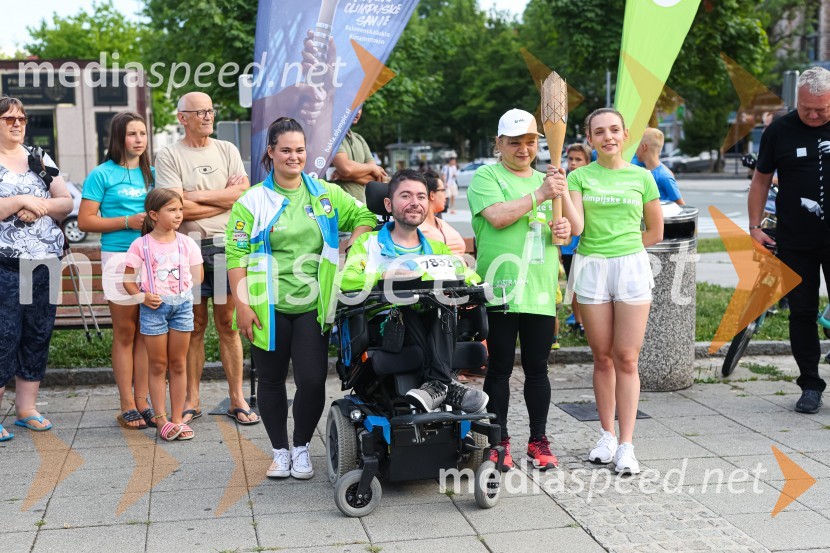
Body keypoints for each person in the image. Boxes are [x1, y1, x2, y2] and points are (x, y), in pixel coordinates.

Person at [226, 117, 377, 479]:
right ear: (271, 152)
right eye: (286, 150)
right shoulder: (253, 200)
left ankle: (302, 447)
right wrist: (242, 305)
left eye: (300, 150)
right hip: (268, 306)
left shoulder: (324, 194)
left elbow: (366, 215)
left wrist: (351, 242)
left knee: (311, 381)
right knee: (271, 379)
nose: (294, 157)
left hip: (313, 305)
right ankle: (279, 451)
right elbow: (236, 255)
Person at [467, 108, 578, 471]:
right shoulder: (487, 176)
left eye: (530, 142)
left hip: (540, 290)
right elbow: (499, 217)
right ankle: (499, 442)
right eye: (514, 142)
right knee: (498, 370)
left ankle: (538, 439)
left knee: (537, 369)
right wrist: (541, 193)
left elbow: (566, 228)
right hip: (499, 288)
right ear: (499, 144)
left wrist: (560, 230)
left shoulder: (551, 181)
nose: (523, 149)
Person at [340, 169, 487, 413]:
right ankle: (446, 386)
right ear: (388, 204)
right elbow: (348, 280)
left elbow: (470, 277)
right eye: (405, 196)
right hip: (388, 324)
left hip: (433, 320)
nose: (414, 203)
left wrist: (457, 272)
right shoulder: (368, 244)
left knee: (441, 305)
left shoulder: (438, 248)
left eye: (420, 196)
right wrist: (383, 275)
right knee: (407, 303)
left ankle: (436, 386)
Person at [567, 108, 663, 474]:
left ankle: (626, 444)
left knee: (626, 357)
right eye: (599, 132)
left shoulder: (643, 178)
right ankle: (606, 435)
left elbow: (656, 232)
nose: (608, 136)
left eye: (614, 130)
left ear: (625, 136)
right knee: (602, 356)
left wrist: (624, 246)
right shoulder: (578, 177)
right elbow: (576, 227)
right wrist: (560, 192)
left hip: (631, 267)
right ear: (589, 139)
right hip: (591, 266)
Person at [154, 92, 258, 425]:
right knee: (194, 325)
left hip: (229, 247)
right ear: (182, 117)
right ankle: (191, 400)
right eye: (199, 112)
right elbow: (173, 206)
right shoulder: (169, 155)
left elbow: (243, 195)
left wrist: (196, 197)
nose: (207, 116)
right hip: (188, 250)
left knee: (227, 325)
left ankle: (237, 399)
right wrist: (223, 200)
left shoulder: (227, 150)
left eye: (211, 110)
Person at [749, 67, 830, 414]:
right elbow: (760, 180)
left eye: (821, 110)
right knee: (802, 312)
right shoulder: (780, 130)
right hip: (796, 240)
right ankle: (810, 383)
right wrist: (754, 226)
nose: (812, 115)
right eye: (806, 108)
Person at [0, 96, 73, 440]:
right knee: (4, 335)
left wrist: (39, 206)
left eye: (22, 119)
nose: (16, 124)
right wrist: (19, 201)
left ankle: (26, 409)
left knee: (37, 332)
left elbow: (66, 201)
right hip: (5, 264)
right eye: (8, 119)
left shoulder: (38, 157)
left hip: (44, 261)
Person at [78, 112, 153, 429]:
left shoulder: (153, 175)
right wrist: (126, 222)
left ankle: (143, 400)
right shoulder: (101, 174)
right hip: (118, 258)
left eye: (143, 133)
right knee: (125, 332)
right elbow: (85, 221)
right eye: (132, 133)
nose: (139, 139)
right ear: (118, 138)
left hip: (152, 259)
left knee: (146, 333)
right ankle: (126, 405)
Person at [124, 189, 203, 440]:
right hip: (153, 310)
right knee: (158, 365)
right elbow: (128, 281)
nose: (178, 215)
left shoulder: (187, 242)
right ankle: (161, 419)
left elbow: (198, 276)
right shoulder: (141, 245)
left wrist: (181, 285)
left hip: (182, 308)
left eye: (180, 209)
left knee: (179, 363)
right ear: (154, 215)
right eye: (172, 210)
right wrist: (143, 297)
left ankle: (178, 418)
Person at [561, 143, 592, 334]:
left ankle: (589, 322)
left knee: (588, 285)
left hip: (587, 242)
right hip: (568, 246)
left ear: (587, 162)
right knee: (572, 285)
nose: (573, 163)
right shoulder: (563, 182)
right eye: (571, 159)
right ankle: (578, 321)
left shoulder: (591, 182)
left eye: (578, 159)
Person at [330, 107, 388, 203]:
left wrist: (345, 176)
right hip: (336, 207)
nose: (358, 112)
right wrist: (372, 168)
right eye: (353, 107)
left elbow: (375, 178)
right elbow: (346, 169)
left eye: (360, 108)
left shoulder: (359, 139)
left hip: (361, 207)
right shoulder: (332, 136)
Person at [419, 169, 466, 256]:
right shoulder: (418, 229)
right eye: (443, 190)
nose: (446, 195)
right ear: (432, 195)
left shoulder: (441, 224)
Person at [635, 127, 685, 205]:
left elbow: (681, 205)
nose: (635, 151)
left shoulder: (664, 176)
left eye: (636, 147)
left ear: (644, 147)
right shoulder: (646, 171)